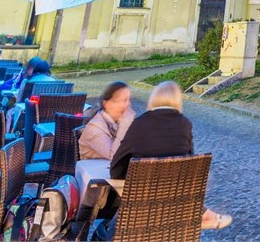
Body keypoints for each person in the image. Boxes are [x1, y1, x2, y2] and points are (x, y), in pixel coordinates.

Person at [107, 81, 231, 232]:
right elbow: (189, 163)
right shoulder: (185, 124)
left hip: (139, 209)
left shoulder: (140, 123)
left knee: (108, 227)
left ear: (154, 98)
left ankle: (205, 213)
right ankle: (204, 213)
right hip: (175, 210)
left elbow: (116, 166)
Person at [79, 81, 136, 161]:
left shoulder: (117, 122)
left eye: (128, 99)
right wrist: (125, 124)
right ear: (106, 104)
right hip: (94, 171)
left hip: (113, 169)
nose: (127, 104)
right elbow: (115, 156)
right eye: (122, 100)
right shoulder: (95, 128)